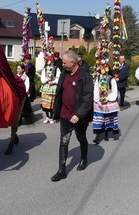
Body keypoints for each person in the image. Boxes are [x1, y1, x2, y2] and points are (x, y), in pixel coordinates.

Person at [51, 50, 94, 182]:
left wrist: (78, 114)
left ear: (73, 62)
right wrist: (56, 113)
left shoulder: (85, 76)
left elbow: (87, 99)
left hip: (79, 116)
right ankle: (61, 170)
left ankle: (84, 158)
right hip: (65, 114)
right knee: (64, 141)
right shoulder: (64, 74)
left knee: (81, 137)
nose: (62, 64)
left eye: (64, 62)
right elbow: (59, 94)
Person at [92, 74, 119, 144]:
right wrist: (97, 100)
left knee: (107, 119)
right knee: (99, 120)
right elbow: (96, 90)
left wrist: (107, 98)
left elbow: (114, 92)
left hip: (108, 102)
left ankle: (106, 134)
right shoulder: (98, 78)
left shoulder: (111, 79)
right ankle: (97, 137)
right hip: (100, 103)